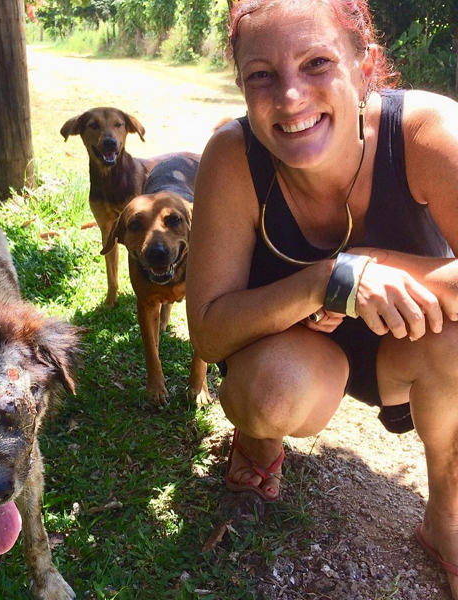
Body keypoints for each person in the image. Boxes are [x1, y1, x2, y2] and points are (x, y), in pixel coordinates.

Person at [186, 0, 458, 596]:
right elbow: (207, 331)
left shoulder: (428, 131)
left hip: (407, 337)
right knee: (270, 393)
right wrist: (327, 279)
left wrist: (370, 268)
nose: (289, 98)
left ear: (365, 64)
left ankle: (447, 513)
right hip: (292, 340)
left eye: (317, 63)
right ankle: (259, 440)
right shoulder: (233, 158)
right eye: (262, 75)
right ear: (240, 86)